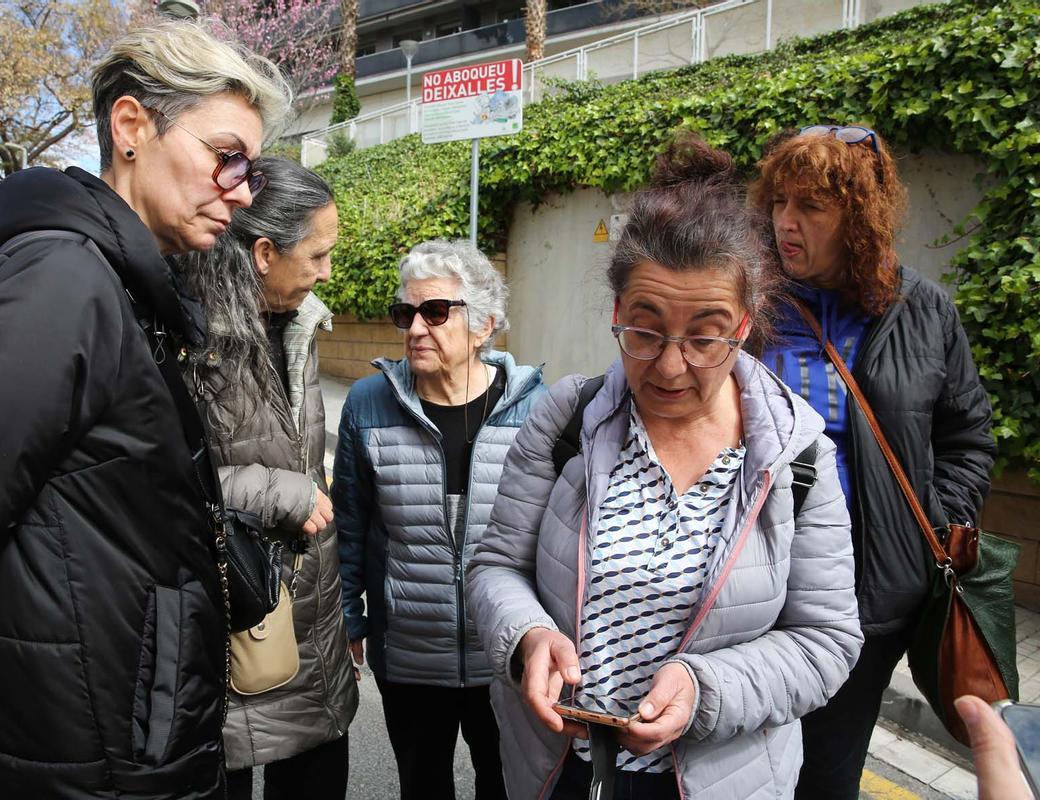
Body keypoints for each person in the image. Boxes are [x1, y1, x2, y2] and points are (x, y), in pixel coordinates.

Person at [0, 20, 289, 799]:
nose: (243, 190)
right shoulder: (66, 276)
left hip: (116, 735)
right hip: (81, 751)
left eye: (251, 168)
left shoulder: (127, 281)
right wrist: (52, 611)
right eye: (227, 156)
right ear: (130, 128)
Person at [466, 133, 862, 800]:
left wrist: (706, 689)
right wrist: (528, 636)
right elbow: (495, 566)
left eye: (706, 336)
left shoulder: (797, 458)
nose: (672, 365)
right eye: (646, 331)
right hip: (560, 768)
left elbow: (826, 641)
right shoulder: (565, 420)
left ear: (744, 325)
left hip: (722, 777)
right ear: (617, 313)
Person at [751, 125, 997, 800]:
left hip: (868, 602)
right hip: (748, 590)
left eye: (810, 207)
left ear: (859, 216)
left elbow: (967, 436)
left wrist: (930, 525)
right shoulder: (751, 301)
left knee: (827, 776)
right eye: (779, 203)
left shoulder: (924, 310)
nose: (786, 224)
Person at [331, 239, 546, 800]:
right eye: (407, 313)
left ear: (484, 325)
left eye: (436, 311)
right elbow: (349, 526)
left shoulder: (537, 409)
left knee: (506, 787)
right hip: (408, 654)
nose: (416, 328)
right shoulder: (368, 403)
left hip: (505, 655)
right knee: (422, 787)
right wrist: (350, 621)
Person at [177, 156, 357, 800]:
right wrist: (272, 490)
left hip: (308, 617)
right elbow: (149, 481)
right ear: (262, 252)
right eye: (316, 255)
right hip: (231, 619)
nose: (326, 272)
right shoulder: (188, 336)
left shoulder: (302, 322)